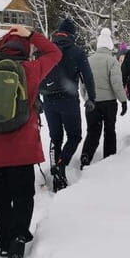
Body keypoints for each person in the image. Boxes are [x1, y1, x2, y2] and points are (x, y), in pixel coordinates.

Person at [0, 25, 62, 258]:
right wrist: (33, 35)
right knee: (23, 193)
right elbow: (55, 53)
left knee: (0, 194)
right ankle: (18, 237)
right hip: (23, 148)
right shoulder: (31, 69)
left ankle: (5, 239)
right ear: (26, 49)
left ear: (1, 46)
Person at [40, 18, 96, 191]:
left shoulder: (45, 50)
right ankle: (61, 165)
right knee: (75, 136)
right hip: (68, 101)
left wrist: (35, 99)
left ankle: (55, 166)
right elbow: (88, 77)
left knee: (55, 137)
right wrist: (91, 98)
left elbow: (35, 75)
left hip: (48, 99)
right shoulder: (77, 52)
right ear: (72, 34)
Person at [80, 29, 129, 169]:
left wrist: (87, 98)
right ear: (110, 46)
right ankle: (109, 157)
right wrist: (123, 101)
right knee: (109, 130)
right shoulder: (112, 61)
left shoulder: (87, 60)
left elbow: (82, 84)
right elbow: (116, 84)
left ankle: (86, 155)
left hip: (92, 103)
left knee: (93, 131)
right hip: (109, 103)